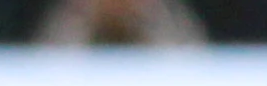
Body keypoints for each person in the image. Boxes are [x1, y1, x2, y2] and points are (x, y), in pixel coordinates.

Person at [35, 0, 207, 47]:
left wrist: (150, 18)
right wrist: (82, 19)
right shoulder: (74, 14)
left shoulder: (164, 14)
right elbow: (47, 71)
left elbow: (194, 70)